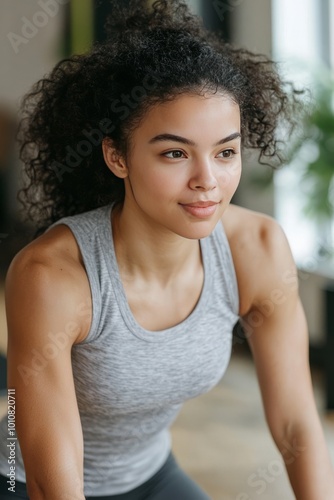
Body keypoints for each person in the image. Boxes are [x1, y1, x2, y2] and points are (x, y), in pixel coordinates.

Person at [0, 0, 333, 498]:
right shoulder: (51, 275)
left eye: (225, 152)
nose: (208, 182)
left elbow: (295, 425)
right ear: (117, 156)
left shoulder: (258, 249)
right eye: (175, 153)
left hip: (148, 474)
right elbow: (53, 485)